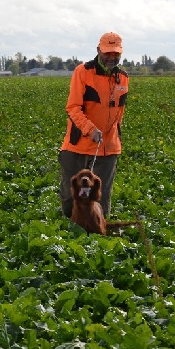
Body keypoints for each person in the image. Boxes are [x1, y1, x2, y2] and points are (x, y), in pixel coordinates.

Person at [59, 32, 129, 220]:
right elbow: (73, 108)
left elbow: (119, 112)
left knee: (101, 197)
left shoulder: (123, 78)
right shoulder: (83, 72)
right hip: (78, 145)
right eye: (108, 53)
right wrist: (90, 129)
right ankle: (70, 230)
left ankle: (98, 236)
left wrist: (115, 137)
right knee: (70, 195)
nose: (112, 57)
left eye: (116, 53)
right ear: (98, 50)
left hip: (108, 147)